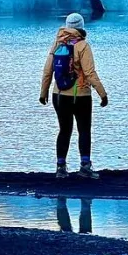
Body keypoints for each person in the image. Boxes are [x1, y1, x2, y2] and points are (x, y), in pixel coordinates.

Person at [39, 12, 108, 180]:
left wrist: (44, 92)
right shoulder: (82, 45)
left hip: (59, 95)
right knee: (84, 130)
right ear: (81, 26)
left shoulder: (57, 43)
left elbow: (48, 70)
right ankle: (85, 166)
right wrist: (102, 93)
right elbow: (90, 73)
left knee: (64, 130)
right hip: (81, 96)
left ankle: (60, 168)